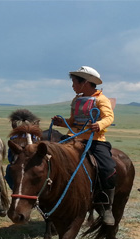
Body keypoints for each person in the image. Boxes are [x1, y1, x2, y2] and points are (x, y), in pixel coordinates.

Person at [51, 66, 117, 226]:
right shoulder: (76, 100)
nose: (72, 86)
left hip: (94, 139)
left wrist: (99, 124)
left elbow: (109, 116)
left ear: (85, 82)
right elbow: (74, 120)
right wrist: (63, 122)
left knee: (107, 168)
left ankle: (106, 207)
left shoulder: (101, 99)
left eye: (74, 82)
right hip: (72, 138)